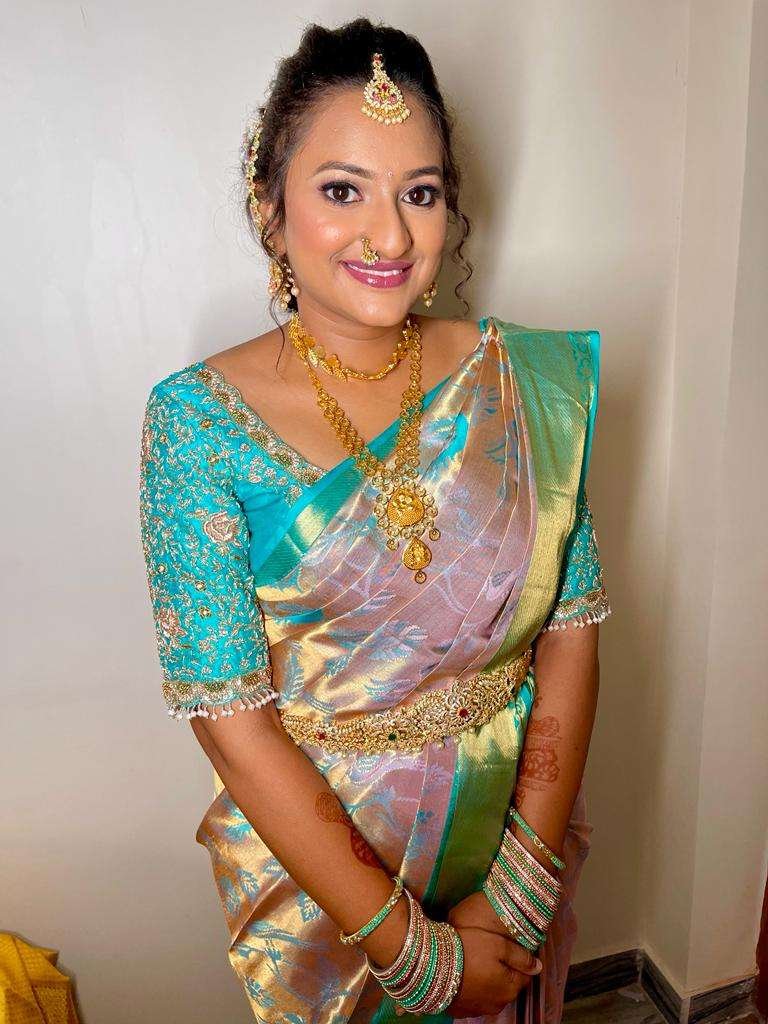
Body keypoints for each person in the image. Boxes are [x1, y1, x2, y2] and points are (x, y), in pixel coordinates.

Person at [138, 17, 611, 1024]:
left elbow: (572, 632)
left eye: (420, 193)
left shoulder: (518, 382)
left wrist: (518, 894)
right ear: (270, 208)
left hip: (515, 843)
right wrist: (416, 953)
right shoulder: (196, 422)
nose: (391, 237)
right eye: (343, 190)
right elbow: (232, 723)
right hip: (332, 900)